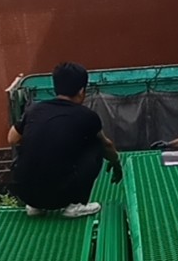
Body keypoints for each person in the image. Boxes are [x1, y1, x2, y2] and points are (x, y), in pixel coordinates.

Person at [8, 62, 122, 217]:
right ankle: (75, 204)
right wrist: (116, 164)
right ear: (81, 91)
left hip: (25, 193)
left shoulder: (35, 109)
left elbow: (12, 138)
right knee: (96, 144)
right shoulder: (87, 116)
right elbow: (107, 145)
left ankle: (36, 207)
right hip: (60, 197)